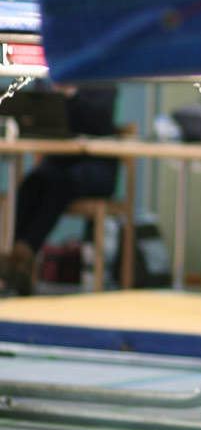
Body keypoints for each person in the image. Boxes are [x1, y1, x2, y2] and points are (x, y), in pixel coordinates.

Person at [0, 84, 119, 295]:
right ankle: (12, 253)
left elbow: (98, 120)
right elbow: (39, 114)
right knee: (33, 183)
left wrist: (70, 94)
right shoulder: (49, 80)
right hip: (61, 160)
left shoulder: (102, 81)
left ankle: (23, 252)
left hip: (96, 164)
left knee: (62, 185)